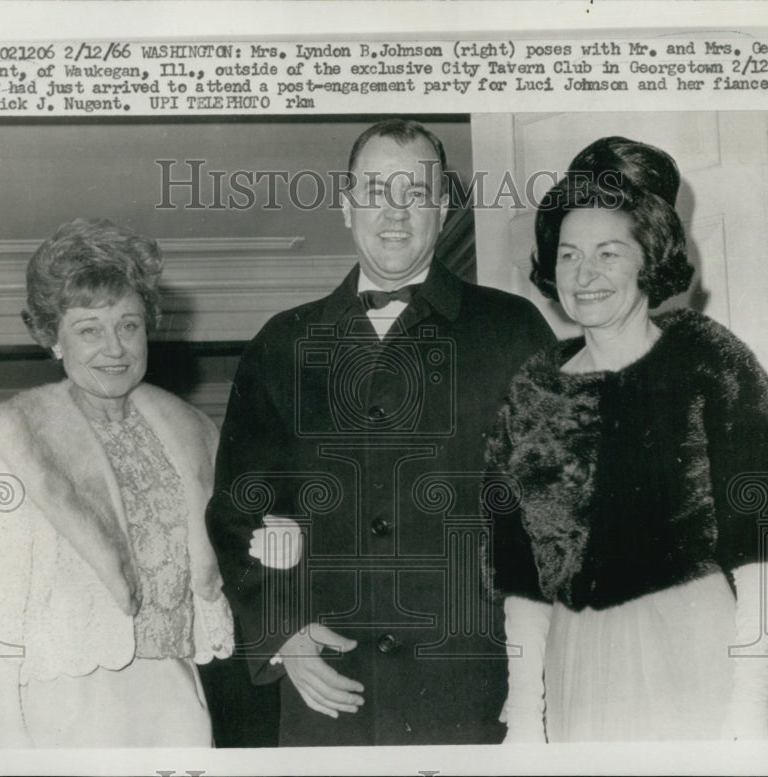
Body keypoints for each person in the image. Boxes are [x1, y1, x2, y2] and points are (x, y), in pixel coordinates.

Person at [207, 118, 556, 746]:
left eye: (416, 191)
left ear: (444, 207)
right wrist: (284, 635)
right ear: (346, 207)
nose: (395, 212)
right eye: (375, 190)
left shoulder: (513, 331)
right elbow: (239, 507)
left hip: (473, 688)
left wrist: (533, 687)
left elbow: (548, 510)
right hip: (327, 694)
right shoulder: (281, 344)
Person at [484, 136, 768, 742]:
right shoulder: (533, 391)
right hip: (576, 668)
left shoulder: (706, 360)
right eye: (568, 255)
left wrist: (751, 702)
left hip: (694, 652)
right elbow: (522, 577)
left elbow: (765, 542)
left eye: (608, 252)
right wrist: (522, 714)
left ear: (649, 259)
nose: (584, 275)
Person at [0, 218, 234, 748]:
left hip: (174, 690)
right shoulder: (19, 443)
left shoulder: (192, 435)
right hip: (67, 701)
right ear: (52, 339)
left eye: (128, 325)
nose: (115, 348)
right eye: (89, 329)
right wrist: (10, 739)